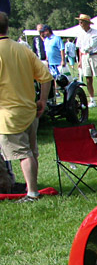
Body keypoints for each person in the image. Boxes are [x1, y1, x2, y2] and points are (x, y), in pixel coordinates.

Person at [0, 11, 53, 202]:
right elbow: (46, 77)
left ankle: (31, 192)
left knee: (23, 154)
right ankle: (30, 187)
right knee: (31, 152)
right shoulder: (22, 49)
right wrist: (43, 100)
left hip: (8, 114)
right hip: (30, 111)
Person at [75, 14, 97, 108]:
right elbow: (80, 48)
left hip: (95, 55)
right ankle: (92, 100)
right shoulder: (80, 34)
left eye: (82, 21)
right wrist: (80, 60)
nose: (80, 23)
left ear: (87, 23)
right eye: (79, 22)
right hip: (85, 57)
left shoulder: (96, 32)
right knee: (88, 79)